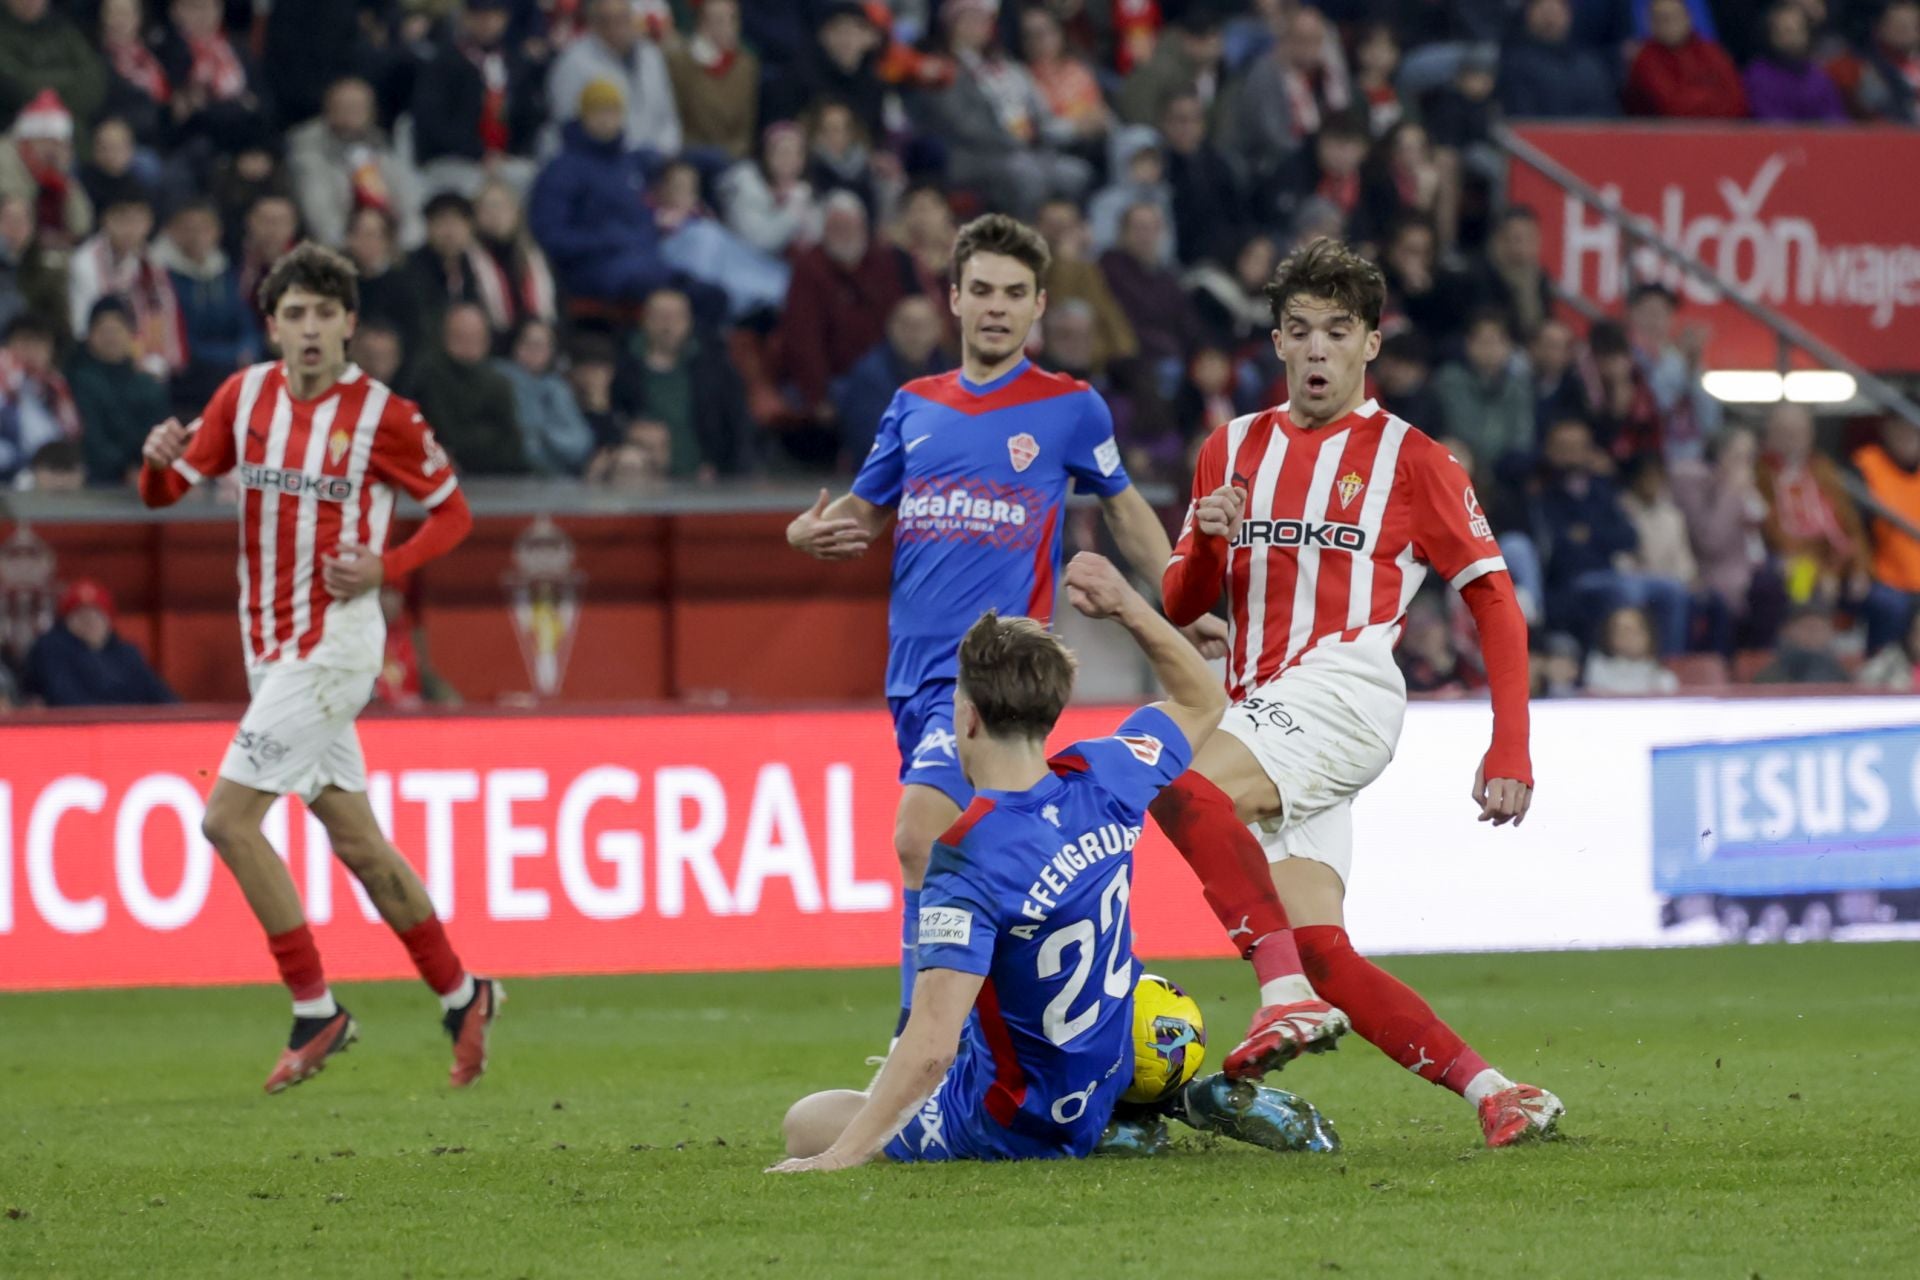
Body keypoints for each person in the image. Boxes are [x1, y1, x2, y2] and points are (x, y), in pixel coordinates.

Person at [786, 214, 1229, 1057]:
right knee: (985, 859)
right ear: (953, 298)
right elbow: (863, 513)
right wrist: (806, 535)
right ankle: (1030, 1032)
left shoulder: (1067, 408)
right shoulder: (913, 406)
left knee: (920, 835)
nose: (996, 307)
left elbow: (1124, 506)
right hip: (913, 681)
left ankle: (923, 1043)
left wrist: (1175, 596)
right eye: (982, 290)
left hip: (996, 674)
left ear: (1040, 306)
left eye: (1014, 294)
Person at [1156, 238, 1563, 1147]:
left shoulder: (1413, 460)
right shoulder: (1230, 449)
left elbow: (1495, 601)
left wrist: (1511, 745)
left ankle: (1281, 999)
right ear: (1275, 342)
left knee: (1181, 789)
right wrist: (1210, 542)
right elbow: (1183, 601)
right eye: (1298, 331)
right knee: (1324, 951)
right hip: (1261, 707)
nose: (1315, 350)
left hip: (1344, 688)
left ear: (1370, 345)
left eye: (1337, 332)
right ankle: (1498, 1092)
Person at [773, 559, 1344, 1171]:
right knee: (1131, 999)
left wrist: (840, 1155)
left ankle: (1113, 1132)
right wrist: (1127, 603)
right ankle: (1152, 1105)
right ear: (1049, 713)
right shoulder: (1107, 774)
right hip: (1108, 1070)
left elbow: (932, 1044)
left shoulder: (966, 854)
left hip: (1012, 1121)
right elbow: (1203, 698)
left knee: (806, 1121)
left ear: (965, 718)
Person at [134, 242, 498, 1093]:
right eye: (293, 314)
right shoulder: (243, 395)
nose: (309, 329)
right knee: (360, 844)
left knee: (226, 820)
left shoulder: (385, 417)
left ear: (349, 326)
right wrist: (156, 463)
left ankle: (315, 1008)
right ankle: (462, 991)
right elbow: (168, 492)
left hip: (335, 645)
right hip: (272, 652)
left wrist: (387, 566)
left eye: (324, 315)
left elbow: (454, 514)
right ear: (273, 324)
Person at [409, 0, 544, 198]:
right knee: (475, 188)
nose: (487, 23)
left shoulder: (514, 62)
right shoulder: (445, 62)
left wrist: (514, 153)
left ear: (505, 19)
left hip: (503, 159)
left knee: (532, 179)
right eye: (480, 16)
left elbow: (528, 116)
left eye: (494, 16)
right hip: (454, 159)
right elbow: (432, 122)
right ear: (466, 18)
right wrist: (478, 153)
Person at [285, 77, 423, 251]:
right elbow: (318, 213)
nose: (352, 112)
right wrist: (354, 247)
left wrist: (404, 244)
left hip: (385, 248)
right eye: (344, 106)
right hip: (336, 249)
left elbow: (408, 200)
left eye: (359, 107)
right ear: (328, 109)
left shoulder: (379, 143)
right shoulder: (307, 147)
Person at [153, 199, 261, 414]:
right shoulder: (162, 277)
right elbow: (180, 338)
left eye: (205, 228)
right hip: (192, 376)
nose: (197, 236)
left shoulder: (225, 270)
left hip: (231, 365)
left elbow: (245, 321)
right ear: (172, 232)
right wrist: (231, 357)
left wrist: (247, 348)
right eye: (188, 228)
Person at [546, 0, 681, 158]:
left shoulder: (651, 56)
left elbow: (668, 118)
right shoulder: (573, 62)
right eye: (607, 20)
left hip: (655, 158)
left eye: (623, 19)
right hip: (600, 160)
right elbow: (567, 123)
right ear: (594, 23)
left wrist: (664, 153)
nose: (617, 28)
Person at [406, 301, 527, 475]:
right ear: (446, 336)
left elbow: (512, 442)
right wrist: (487, 437)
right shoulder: (429, 377)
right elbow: (447, 435)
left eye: (475, 336)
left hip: (498, 474)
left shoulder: (498, 382)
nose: (468, 343)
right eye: (460, 336)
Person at [21, 577, 175, 706]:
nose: (90, 621)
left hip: (131, 732)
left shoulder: (127, 654)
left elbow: (162, 697)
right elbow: (66, 700)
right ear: (66, 621)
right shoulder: (51, 649)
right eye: (82, 615)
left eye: (97, 614)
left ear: (108, 620)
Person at [831, 294, 947, 463]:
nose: (914, 334)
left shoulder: (949, 370)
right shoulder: (870, 375)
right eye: (907, 325)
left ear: (938, 329)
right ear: (891, 327)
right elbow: (872, 441)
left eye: (922, 326)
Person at [66, 296, 169, 485]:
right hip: (97, 481)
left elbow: (159, 435)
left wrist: (144, 467)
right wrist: (123, 469)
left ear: (131, 334)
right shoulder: (78, 381)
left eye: (116, 330)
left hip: (146, 477)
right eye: (103, 330)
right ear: (89, 335)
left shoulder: (148, 385)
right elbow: (91, 437)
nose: (110, 337)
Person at [1850, 416, 1920, 654]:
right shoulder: (1867, 464)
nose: (1909, 436)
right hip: (1883, 577)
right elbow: (1855, 527)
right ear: (1886, 430)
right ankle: (1882, 675)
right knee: (1890, 605)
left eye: (1914, 430)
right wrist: (1859, 568)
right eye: (1901, 428)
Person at [496, 318, 595, 477]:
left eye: (541, 346)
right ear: (516, 346)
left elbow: (580, 444)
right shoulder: (498, 379)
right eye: (528, 344)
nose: (534, 352)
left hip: (559, 481)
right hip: (507, 477)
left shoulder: (558, 387)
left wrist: (544, 433)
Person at [664, 0, 757, 161]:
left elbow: (746, 126)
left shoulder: (745, 65)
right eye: (720, 20)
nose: (729, 27)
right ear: (703, 25)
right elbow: (675, 117)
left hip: (732, 155)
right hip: (691, 153)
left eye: (733, 19)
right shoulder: (680, 63)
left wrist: (733, 152)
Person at [1624, 0, 1747, 118]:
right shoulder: (1645, 59)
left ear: (1688, 17)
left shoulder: (1711, 52)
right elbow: (1672, 108)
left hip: (1720, 132)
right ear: (1651, 24)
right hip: (1663, 136)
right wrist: (1710, 98)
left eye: (1674, 16)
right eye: (1662, 19)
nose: (1669, 24)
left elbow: (1737, 102)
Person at [1498, 0, 1618, 119]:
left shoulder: (1590, 63)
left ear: (1569, 15)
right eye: (1544, 11)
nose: (1550, 19)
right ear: (1528, 14)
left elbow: (1608, 114)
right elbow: (1523, 117)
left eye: (1556, 11)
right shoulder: (1515, 64)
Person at [0, 312, 79, 485]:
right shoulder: (4, 382)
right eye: (25, 341)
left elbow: (70, 437)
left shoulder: (57, 389)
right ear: (9, 344)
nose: (32, 350)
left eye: (40, 343)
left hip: (49, 483)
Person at [1744, 2, 1848, 122]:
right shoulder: (1758, 76)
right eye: (1785, 31)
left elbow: (1837, 122)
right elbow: (1770, 124)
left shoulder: (1820, 79)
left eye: (1797, 30)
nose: (1792, 38)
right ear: (1770, 35)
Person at [1582, 605, 1679, 695]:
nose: (1627, 636)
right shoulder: (1595, 670)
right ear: (1608, 634)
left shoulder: (1664, 679)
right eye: (1620, 630)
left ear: (1648, 635)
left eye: (1633, 630)